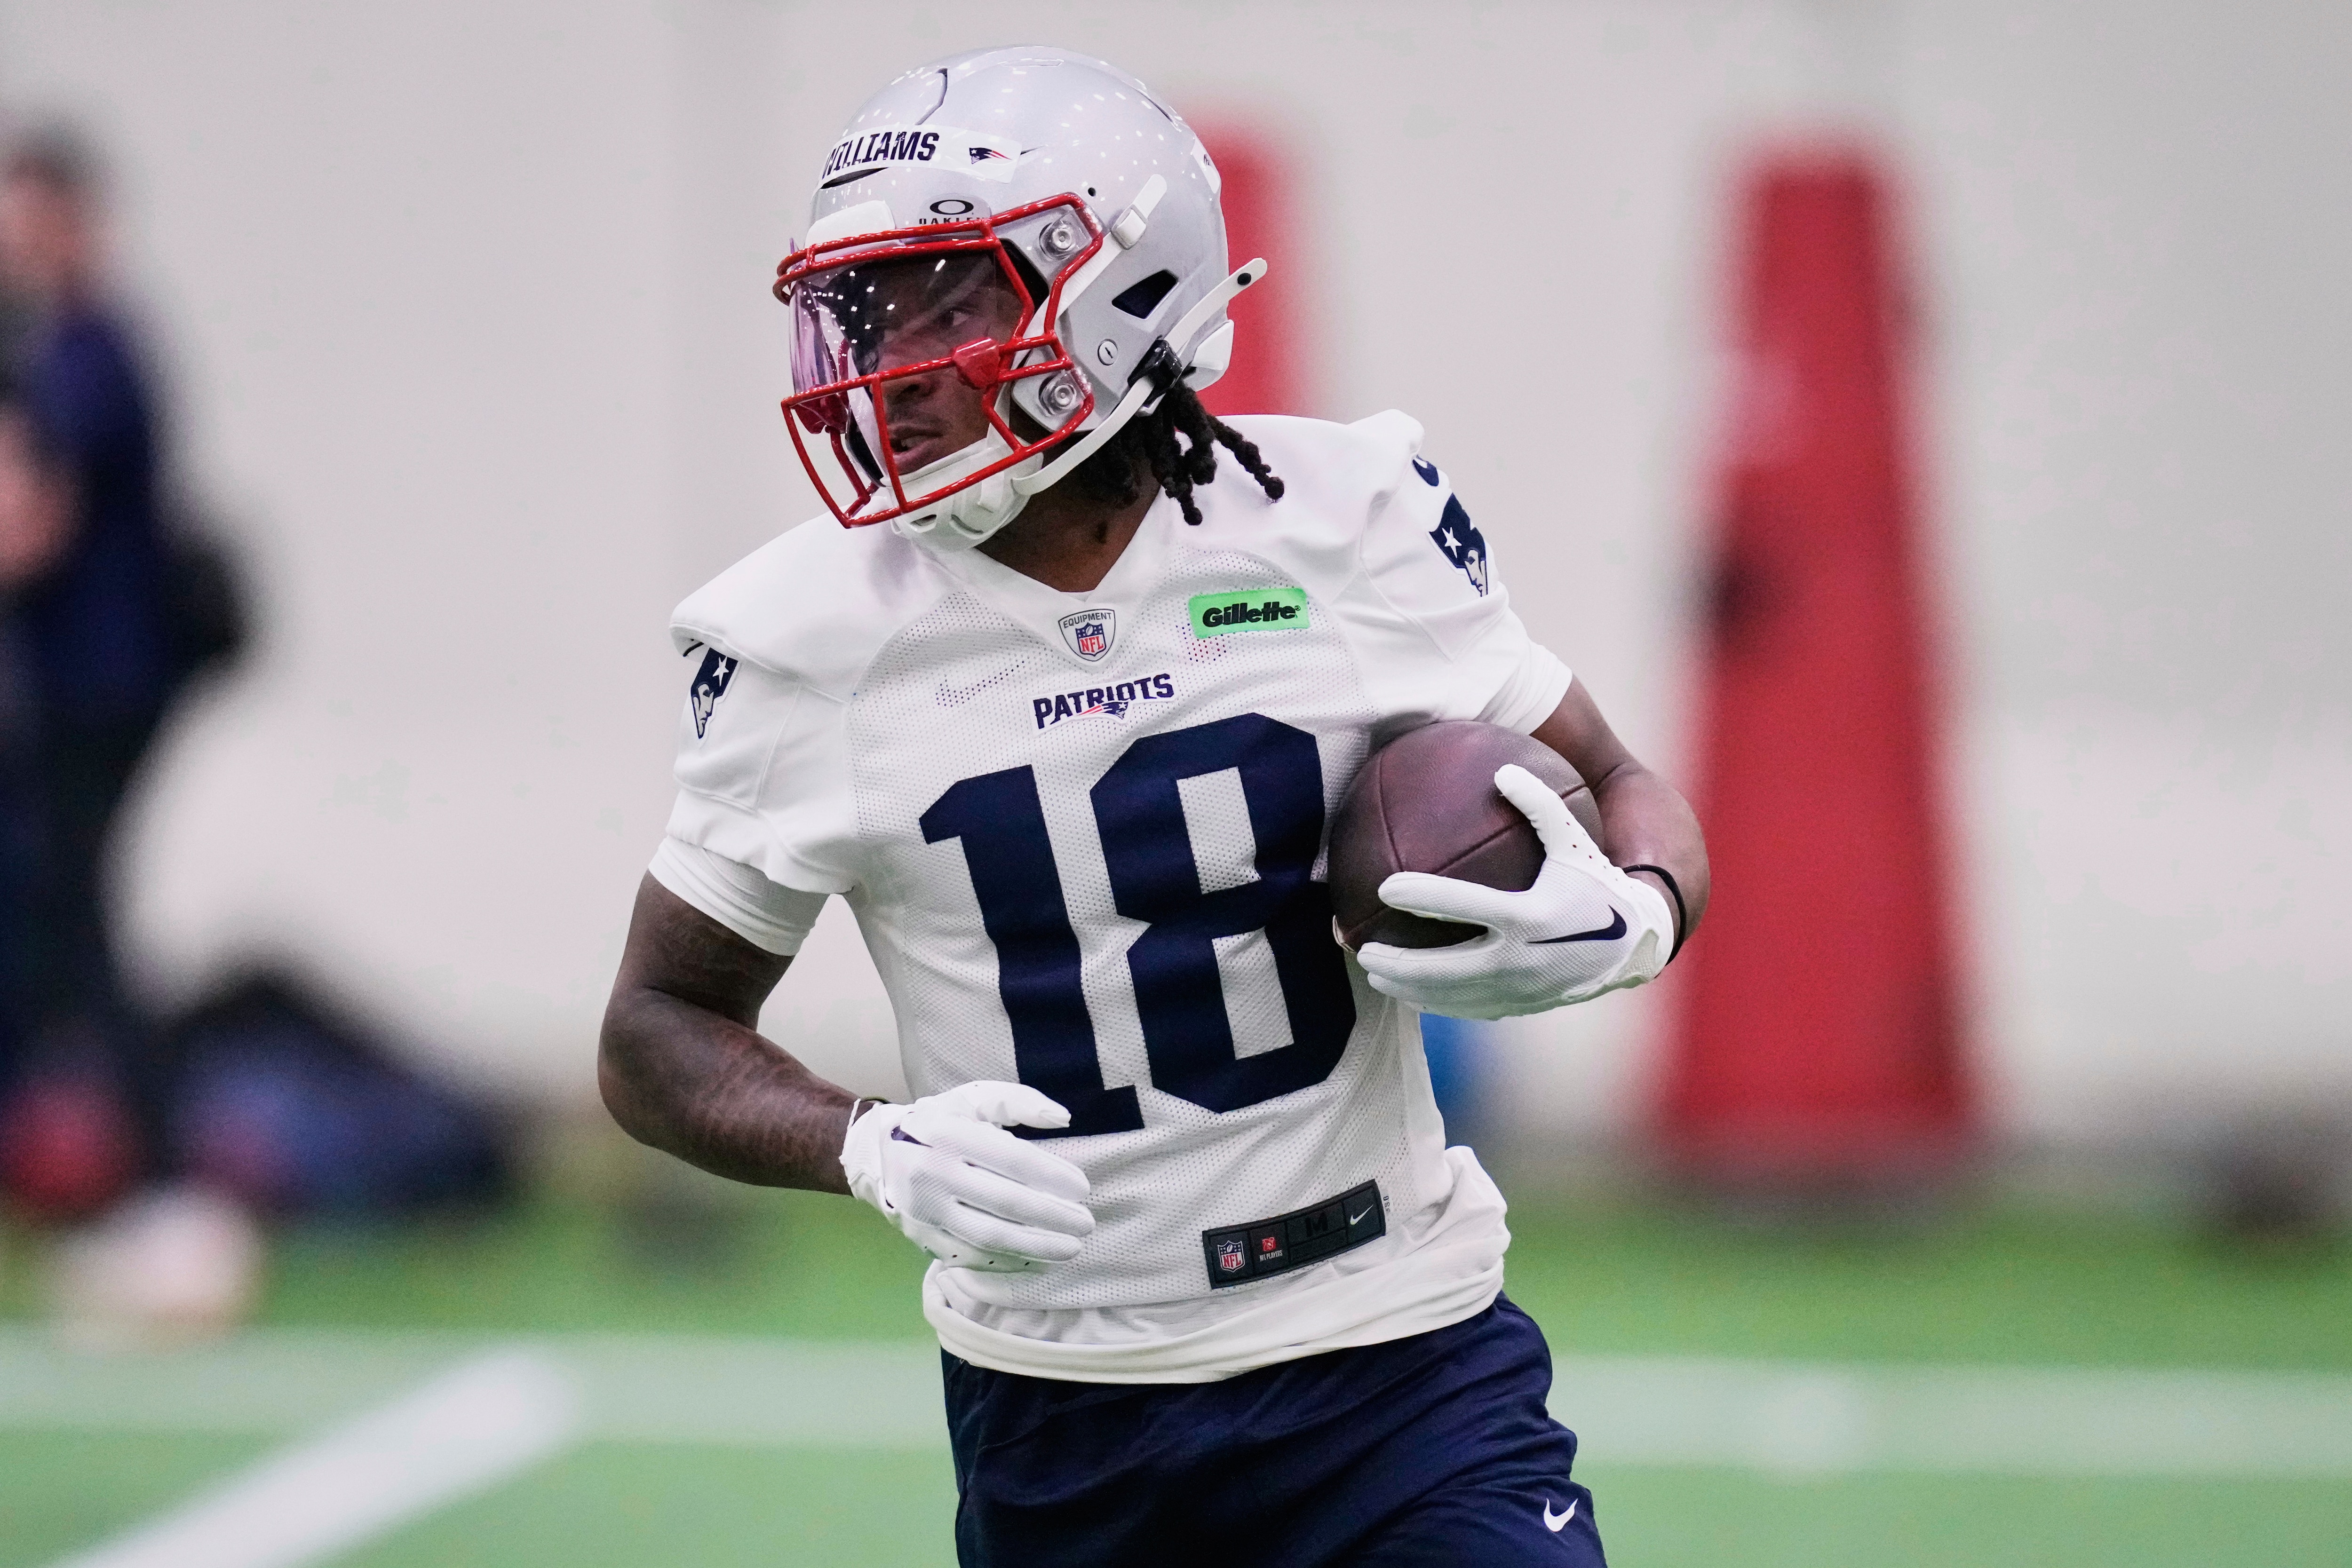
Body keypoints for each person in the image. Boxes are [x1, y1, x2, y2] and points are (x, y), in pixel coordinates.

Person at [600, 47, 1708, 1567]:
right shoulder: (805, 640)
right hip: (1066, 1406)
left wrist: (1634, 915)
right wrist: (865, 1143)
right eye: (866, 313)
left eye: (950, 301)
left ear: (1124, 296)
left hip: (1401, 1359)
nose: (892, 367)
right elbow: (655, 1036)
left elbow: (1630, 788)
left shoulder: (1342, 524)